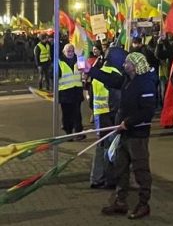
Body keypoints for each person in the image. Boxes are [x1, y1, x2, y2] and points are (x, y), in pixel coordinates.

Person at [98, 52, 156, 219]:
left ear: (135, 66)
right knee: (121, 167)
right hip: (124, 133)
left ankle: (143, 204)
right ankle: (120, 201)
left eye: (127, 63)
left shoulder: (146, 84)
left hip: (137, 134)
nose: (124, 65)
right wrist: (90, 71)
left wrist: (128, 122)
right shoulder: (127, 80)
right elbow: (110, 80)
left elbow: (147, 112)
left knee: (140, 169)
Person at [86, 49, 122, 189]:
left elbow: (90, 100)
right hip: (110, 115)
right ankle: (109, 178)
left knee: (101, 146)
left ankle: (96, 178)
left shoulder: (98, 74)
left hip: (99, 115)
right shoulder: (114, 74)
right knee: (110, 148)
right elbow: (116, 99)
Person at [57, 44, 85, 139]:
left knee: (77, 113)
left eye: (72, 51)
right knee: (67, 114)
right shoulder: (59, 62)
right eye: (68, 51)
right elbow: (53, 76)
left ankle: (78, 132)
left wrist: (81, 57)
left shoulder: (79, 60)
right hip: (65, 92)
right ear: (64, 52)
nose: (70, 53)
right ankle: (68, 133)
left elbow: (84, 71)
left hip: (76, 90)